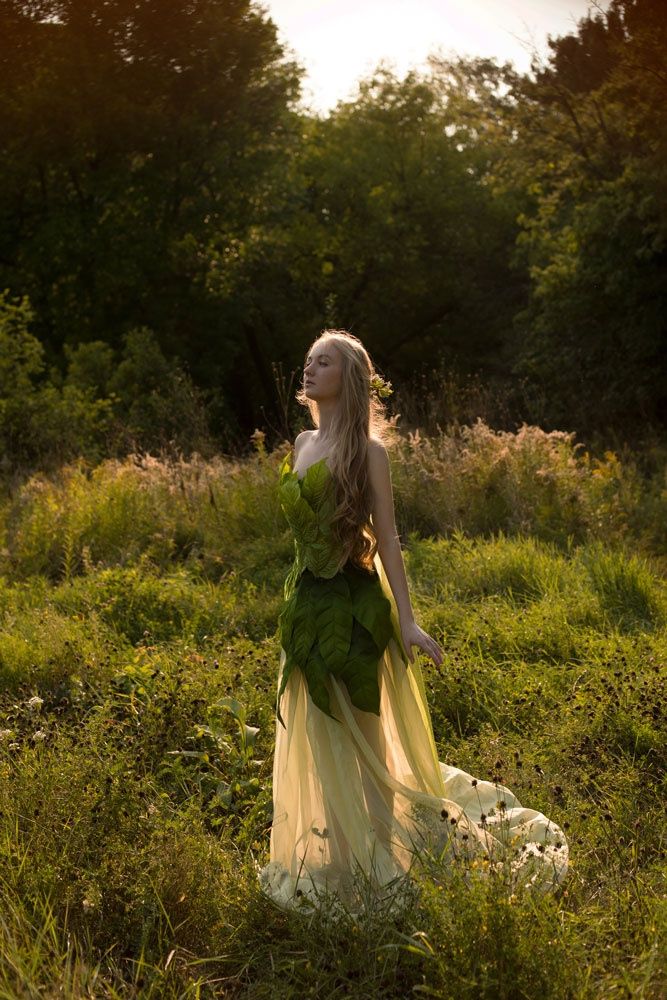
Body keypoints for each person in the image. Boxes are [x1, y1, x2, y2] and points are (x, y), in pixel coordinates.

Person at [259, 330, 568, 911]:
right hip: (304, 608)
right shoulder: (301, 441)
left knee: (368, 743)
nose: (309, 369)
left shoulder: (369, 452)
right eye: (307, 361)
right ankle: (340, 854)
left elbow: (390, 540)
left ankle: (387, 860)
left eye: (323, 362)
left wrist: (408, 621)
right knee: (318, 736)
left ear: (347, 378)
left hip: (354, 610)